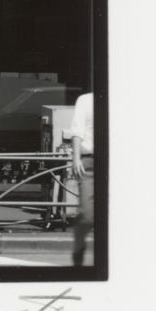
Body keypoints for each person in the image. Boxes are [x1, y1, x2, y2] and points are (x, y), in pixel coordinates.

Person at [70, 90, 95, 267]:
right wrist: (76, 157)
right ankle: (79, 244)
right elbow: (77, 130)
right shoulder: (85, 100)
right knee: (87, 215)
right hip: (90, 161)